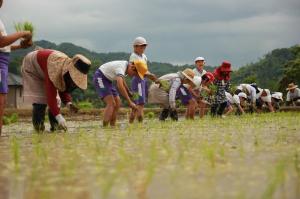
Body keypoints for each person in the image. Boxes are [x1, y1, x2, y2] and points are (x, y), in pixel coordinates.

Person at [22, 49, 91, 132]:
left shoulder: (65, 70)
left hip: (45, 65)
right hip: (32, 65)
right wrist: (60, 117)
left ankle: (55, 128)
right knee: (40, 101)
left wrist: (69, 103)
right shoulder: (55, 67)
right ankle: (39, 129)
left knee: (57, 101)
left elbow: (62, 85)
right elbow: (50, 95)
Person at [0, 0, 33, 135]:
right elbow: (1, 41)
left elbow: (3, 45)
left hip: (3, 60)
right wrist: (23, 33)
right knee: (0, 102)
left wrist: (20, 46)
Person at [93, 60, 149, 127]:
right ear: (132, 67)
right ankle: (105, 127)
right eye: (134, 74)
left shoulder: (126, 67)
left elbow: (122, 80)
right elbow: (120, 85)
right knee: (111, 103)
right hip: (100, 77)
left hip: (108, 80)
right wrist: (129, 102)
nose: (133, 76)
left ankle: (112, 126)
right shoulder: (121, 68)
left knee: (118, 102)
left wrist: (128, 92)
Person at [129, 37, 157, 123]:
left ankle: (131, 124)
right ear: (135, 47)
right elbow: (140, 71)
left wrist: (152, 76)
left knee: (137, 104)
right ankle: (140, 124)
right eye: (140, 47)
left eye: (144, 47)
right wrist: (152, 76)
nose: (142, 48)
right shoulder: (134, 56)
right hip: (137, 81)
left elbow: (145, 70)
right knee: (140, 103)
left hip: (143, 80)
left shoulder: (144, 56)